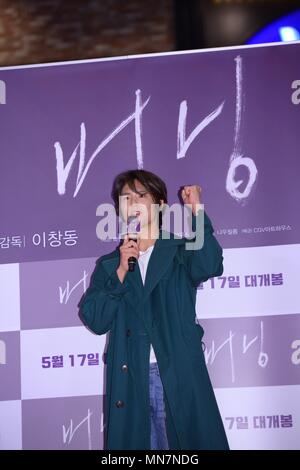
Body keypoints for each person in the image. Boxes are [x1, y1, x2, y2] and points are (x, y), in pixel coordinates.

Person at [79, 169, 229, 450]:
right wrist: (122, 271)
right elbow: (96, 320)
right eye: (126, 198)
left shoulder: (179, 250)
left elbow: (210, 264)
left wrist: (196, 211)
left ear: (160, 203)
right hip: (130, 374)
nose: (133, 202)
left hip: (175, 370)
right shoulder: (111, 264)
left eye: (141, 195)